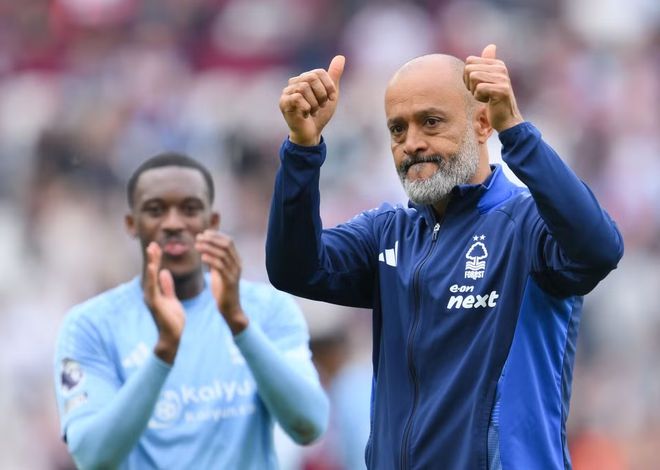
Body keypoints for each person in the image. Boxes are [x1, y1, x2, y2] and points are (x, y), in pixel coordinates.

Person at [266, 45, 624, 469]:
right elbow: (294, 269)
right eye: (397, 129)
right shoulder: (387, 233)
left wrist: (516, 131)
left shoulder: (528, 225)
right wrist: (302, 149)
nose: (412, 143)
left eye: (431, 122)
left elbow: (600, 250)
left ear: (482, 124)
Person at [53, 152, 329, 469]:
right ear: (132, 224)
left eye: (190, 209)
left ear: (212, 221)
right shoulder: (90, 325)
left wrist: (239, 325)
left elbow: (310, 425)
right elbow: (92, 456)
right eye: (155, 210)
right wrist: (164, 353)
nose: (173, 223)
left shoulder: (266, 309)